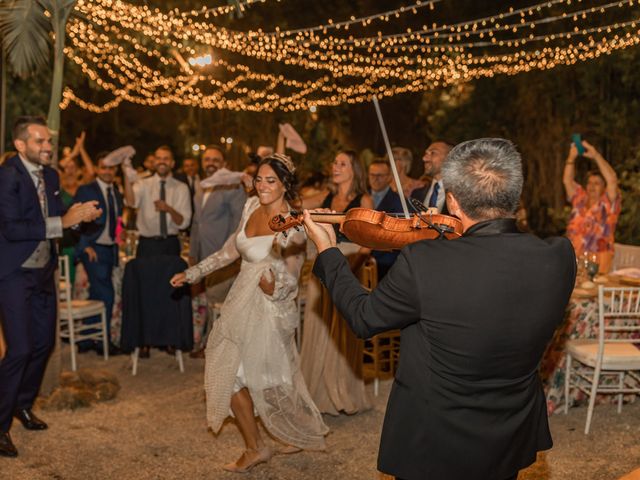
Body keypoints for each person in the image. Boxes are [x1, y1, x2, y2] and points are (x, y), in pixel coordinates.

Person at [303, 138, 577, 480]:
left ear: (453, 201)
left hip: (434, 440)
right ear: (514, 195)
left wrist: (328, 251)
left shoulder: (424, 261)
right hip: (509, 433)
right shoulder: (560, 256)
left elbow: (363, 317)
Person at [170, 154, 328, 472]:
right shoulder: (251, 206)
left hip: (270, 309)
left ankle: (281, 436)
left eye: (271, 180)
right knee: (233, 372)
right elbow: (231, 249)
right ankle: (258, 446)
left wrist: (275, 286)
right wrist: (193, 273)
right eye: (259, 179)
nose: (263, 186)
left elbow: (292, 275)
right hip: (241, 298)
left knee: (265, 379)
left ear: (285, 185)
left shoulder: (292, 225)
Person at [0, 116, 101, 458]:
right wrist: (64, 220)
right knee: (20, 349)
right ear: (20, 144)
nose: (48, 147)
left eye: (48, 141)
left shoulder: (52, 175)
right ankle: (0, 425)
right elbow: (13, 229)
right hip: (13, 273)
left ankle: (23, 405)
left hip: (44, 272)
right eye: (40, 141)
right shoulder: (7, 177)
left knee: (43, 344)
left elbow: (57, 217)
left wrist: (78, 215)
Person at [299, 150, 374, 415]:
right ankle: (315, 390)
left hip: (347, 265)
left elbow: (367, 245)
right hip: (323, 265)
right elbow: (297, 205)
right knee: (317, 327)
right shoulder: (325, 196)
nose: (335, 167)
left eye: (342, 163)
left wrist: (344, 271)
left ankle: (341, 391)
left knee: (343, 329)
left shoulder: (363, 199)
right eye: (334, 162)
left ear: (355, 169)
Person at [188, 145, 245, 356]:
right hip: (202, 253)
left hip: (223, 255)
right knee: (208, 301)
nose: (210, 163)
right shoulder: (201, 186)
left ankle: (217, 347)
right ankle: (207, 343)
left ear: (224, 164)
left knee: (219, 301)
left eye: (215, 160)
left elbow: (237, 224)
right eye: (206, 159)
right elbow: (197, 222)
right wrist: (193, 253)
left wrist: (228, 254)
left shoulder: (232, 187)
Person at [73, 152, 124, 355]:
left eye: (111, 168)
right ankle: (103, 342)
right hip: (93, 249)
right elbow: (75, 218)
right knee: (107, 294)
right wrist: (84, 245)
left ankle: (88, 340)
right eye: (103, 167)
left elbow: (116, 219)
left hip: (110, 248)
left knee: (97, 293)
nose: (107, 171)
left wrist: (120, 236)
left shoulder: (116, 191)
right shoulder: (86, 190)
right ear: (97, 168)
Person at [122, 145, 191, 258]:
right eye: (158, 158)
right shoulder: (143, 184)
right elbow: (130, 202)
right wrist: (126, 176)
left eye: (166, 159)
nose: (162, 162)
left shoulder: (182, 188)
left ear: (172, 163)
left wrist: (169, 209)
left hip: (171, 244)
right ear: (154, 162)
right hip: (146, 244)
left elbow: (184, 223)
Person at [563, 139, 620, 271]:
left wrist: (595, 155)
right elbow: (567, 180)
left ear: (604, 188)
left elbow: (612, 178)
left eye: (597, 183)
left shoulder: (608, 204)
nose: (592, 186)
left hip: (598, 263)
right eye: (589, 183)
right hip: (574, 261)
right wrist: (571, 158)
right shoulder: (579, 199)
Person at [368, 159, 404, 280]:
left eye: (380, 175)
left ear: (389, 177)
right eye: (372, 175)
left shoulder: (398, 201)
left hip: (385, 263)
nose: (375, 179)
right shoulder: (362, 196)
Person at [410, 140, 454, 214]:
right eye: (426, 153)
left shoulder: (460, 196)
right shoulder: (416, 194)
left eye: (433, 153)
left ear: (449, 158)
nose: (424, 158)